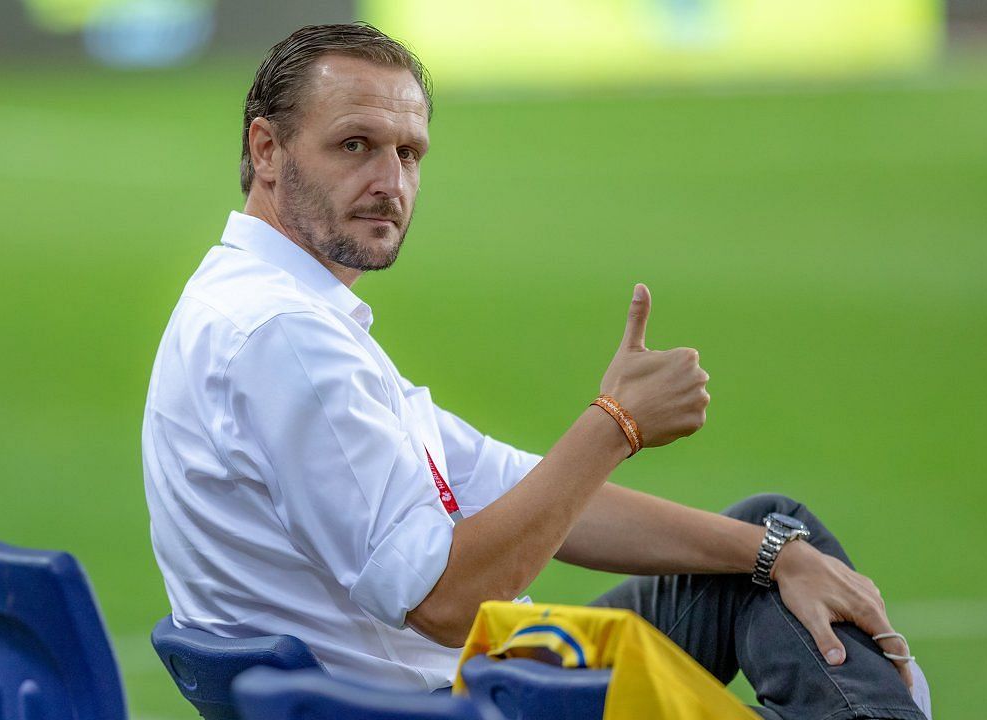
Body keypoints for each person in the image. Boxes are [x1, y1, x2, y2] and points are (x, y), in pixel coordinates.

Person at [142, 23, 929, 719]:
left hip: (465, 684)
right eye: (356, 145)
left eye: (409, 153)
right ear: (267, 150)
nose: (391, 182)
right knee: (776, 550)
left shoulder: (263, 307)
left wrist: (773, 553)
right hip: (462, 703)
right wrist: (615, 424)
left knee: (766, 531)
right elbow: (447, 602)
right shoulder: (284, 336)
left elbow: (518, 487)